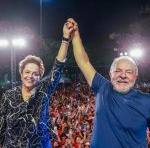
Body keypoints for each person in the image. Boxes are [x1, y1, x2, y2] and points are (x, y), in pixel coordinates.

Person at [68, 18, 150, 148]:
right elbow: (83, 62)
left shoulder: (147, 101)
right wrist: (75, 35)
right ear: (110, 74)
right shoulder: (102, 87)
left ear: (135, 76)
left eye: (128, 72)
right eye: (118, 71)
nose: (123, 75)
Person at [0, 20, 74, 148]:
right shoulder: (8, 96)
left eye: (35, 73)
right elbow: (1, 125)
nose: (30, 76)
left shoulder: (43, 91)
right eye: (27, 72)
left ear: (40, 76)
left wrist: (65, 38)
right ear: (21, 73)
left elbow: (58, 66)